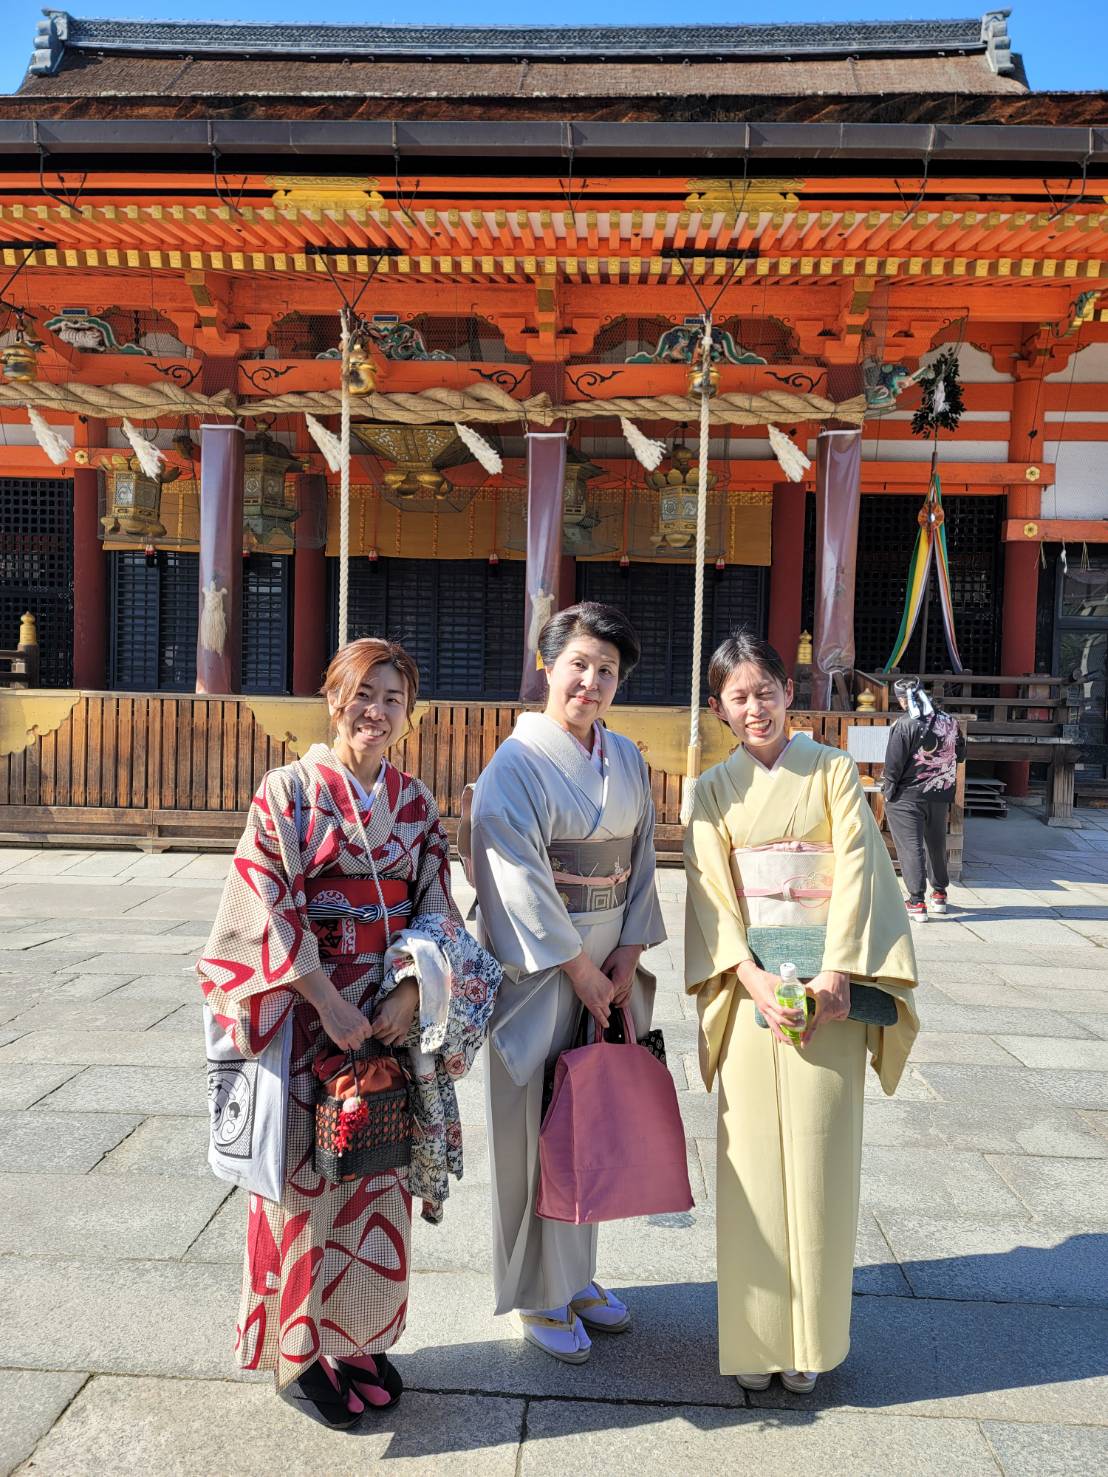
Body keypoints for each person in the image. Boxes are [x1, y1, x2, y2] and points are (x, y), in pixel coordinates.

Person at [198, 637, 469, 1426]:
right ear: (333, 699)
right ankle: (298, 1353)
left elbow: (436, 906)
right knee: (302, 1184)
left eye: (392, 698)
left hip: (384, 1019)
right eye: (363, 694)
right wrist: (324, 999)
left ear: (407, 713)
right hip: (306, 1018)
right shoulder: (286, 792)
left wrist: (415, 988)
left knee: (376, 1173)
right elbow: (260, 905)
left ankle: (359, 1337)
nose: (376, 711)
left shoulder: (413, 802)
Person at [683, 630, 918, 1395]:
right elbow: (711, 891)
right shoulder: (714, 789)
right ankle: (753, 1337)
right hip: (752, 985)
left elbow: (857, 867)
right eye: (738, 697)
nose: (756, 707)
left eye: (766, 690)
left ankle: (811, 1337)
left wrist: (838, 972)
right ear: (720, 709)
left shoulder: (834, 770)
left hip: (829, 986)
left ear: (790, 692)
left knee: (821, 1157)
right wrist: (744, 974)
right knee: (749, 1161)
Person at [470, 601, 665, 1364]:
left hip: (608, 966)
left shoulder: (628, 759)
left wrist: (627, 953)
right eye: (579, 663)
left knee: (591, 1123)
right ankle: (534, 1290)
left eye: (607, 670)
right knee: (535, 1128)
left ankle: (576, 1272)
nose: (591, 680)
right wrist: (581, 968)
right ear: (547, 663)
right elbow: (512, 878)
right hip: (540, 974)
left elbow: (643, 858)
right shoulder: (513, 766)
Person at [882, 676, 966, 923]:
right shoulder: (950, 721)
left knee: (911, 847)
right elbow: (960, 755)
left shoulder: (905, 724)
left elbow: (893, 765)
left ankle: (916, 900)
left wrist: (888, 792)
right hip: (940, 792)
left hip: (907, 794)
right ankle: (939, 893)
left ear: (902, 699)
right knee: (936, 843)